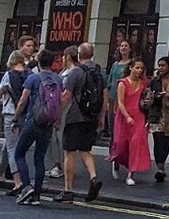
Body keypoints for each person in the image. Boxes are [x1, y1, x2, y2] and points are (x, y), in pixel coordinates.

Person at [12, 47, 63, 205]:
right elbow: (60, 102)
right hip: (48, 123)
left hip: (33, 121)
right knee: (39, 159)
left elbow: (23, 100)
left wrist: (15, 118)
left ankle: (26, 186)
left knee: (19, 154)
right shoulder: (58, 79)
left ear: (39, 62)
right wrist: (57, 121)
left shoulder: (33, 78)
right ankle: (37, 196)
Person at [58, 43, 105, 203]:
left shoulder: (76, 72)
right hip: (92, 117)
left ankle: (68, 191)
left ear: (79, 54)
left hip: (75, 117)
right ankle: (93, 177)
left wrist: (57, 114)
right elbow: (105, 97)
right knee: (85, 150)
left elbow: (66, 96)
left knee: (70, 152)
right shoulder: (99, 72)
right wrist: (101, 117)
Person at [0, 49, 28, 194]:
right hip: (23, 114)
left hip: (10, 114)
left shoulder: (8, 76)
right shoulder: (29, 75)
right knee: (7, 148)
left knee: (11, 149)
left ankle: (18, 182)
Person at [109, 59, 152, 185]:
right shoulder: (122, 83)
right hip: (123, 117)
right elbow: (120, 103)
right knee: (120, 143)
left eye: (141, 68)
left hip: (139, 116)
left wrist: (149, 101)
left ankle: (130, 174)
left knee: (136, 143)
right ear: (130, 68)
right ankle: (116, 161)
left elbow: (147, 98)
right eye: (137, 68)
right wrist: (127, 116)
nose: (139, 70)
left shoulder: (144, 84)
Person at [144, 57, 169, 183]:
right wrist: (156, 97)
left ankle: (162, 163)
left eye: (163, 65)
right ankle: (159, 167)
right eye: (159, 65)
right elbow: (149, 96)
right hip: (157, 114)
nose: (160, 68)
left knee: (166, 141)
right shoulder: (155, 81)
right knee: (158, 140)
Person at [103, 40, 133, 176]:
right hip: (113, 98)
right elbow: (110, 82)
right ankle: (113, 154)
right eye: (121, 46)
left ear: (130, 49)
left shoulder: (132, 64)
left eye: (126, 46)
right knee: (113, 127)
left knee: (124, 129)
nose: (123, 48)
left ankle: (124, 155)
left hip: (126, 99)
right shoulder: (115, 65)